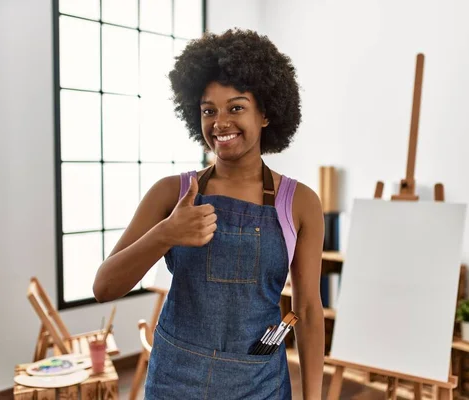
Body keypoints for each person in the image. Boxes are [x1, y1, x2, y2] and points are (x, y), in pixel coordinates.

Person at [92, 28, 325, 399]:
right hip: (175, 380)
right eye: (208, 110)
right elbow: (104, 287)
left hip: (259, 383)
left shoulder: (300, 203)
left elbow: (309, 310)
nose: (220, 122)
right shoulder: (171, 192)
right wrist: (166, 233)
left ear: (265, 114)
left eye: (236, 108)